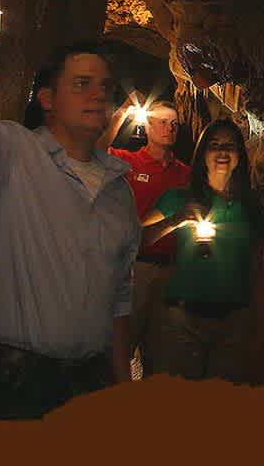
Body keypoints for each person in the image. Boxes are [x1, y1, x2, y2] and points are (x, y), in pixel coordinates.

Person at [0, 0, 140, 417]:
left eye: (105, 86)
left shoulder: (118, 192)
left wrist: (123, 386)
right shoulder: (9, 154)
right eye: (81, 84)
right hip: (4, 383)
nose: (98, 94)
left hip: (87, 383)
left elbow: (118, 298)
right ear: (47, 98)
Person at [140, 120, 264, 383]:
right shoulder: (178, 198)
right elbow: (137, 239)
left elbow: (256, 266)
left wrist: (259, 320)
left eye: (229, 146)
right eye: (214, 145)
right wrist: (176, 220)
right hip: (183, 319)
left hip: (234, 320)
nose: (222, 152)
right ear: (202, 155)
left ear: (240, 156)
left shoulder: (250, 206)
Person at [100, 100, 191, 377]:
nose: (168, 128)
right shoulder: (128, 162)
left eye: (174, 124)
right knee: (121, 345)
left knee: (163, 351)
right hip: (134, 268)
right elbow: (96, 153)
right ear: (147, 126)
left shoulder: (185, 174)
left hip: (171, 270)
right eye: (162, 122)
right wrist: (122, 115)